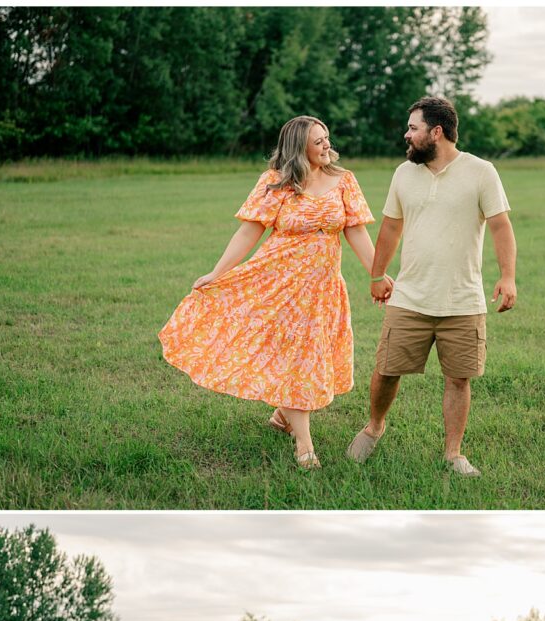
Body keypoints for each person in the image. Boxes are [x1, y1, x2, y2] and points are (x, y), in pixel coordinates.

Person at [159, 116, 386, 470]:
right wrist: (218, 272)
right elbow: (248, 233)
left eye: (327, 138)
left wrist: (379, 275)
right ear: (299, 148)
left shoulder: (344, 181)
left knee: (312, 355)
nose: (327, 145)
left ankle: (284, 414)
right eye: (318, 141)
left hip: (323, 287)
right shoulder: (276, 183)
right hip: (278, 283)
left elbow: (356, 233)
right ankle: (304, 443)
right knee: (297, 356)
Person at [348, 95, 518, 477]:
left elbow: (500, 226)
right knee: (387, 369)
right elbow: (391, 227)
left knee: (458, 378)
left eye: (413, 128)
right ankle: (374, 427)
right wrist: (377, 275)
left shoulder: (481, 172)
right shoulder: (403, 174)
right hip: (410, 296)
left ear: (436, 132)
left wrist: (507, 276)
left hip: (463, 299)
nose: (406, 135)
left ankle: (453, 453)